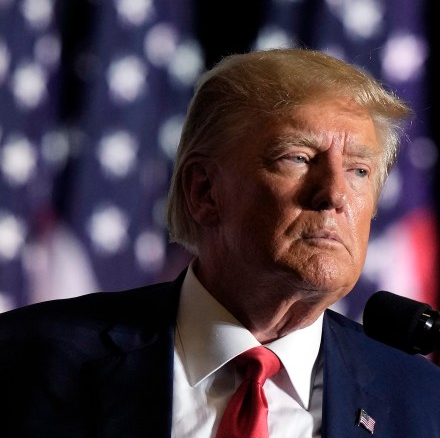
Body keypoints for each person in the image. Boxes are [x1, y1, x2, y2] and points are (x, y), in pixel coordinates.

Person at [1, 48, 440, 437]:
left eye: (359, 171)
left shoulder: (422, 402)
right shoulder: (25, 362)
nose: (335, 194)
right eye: (299, 158)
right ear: (204, 192)